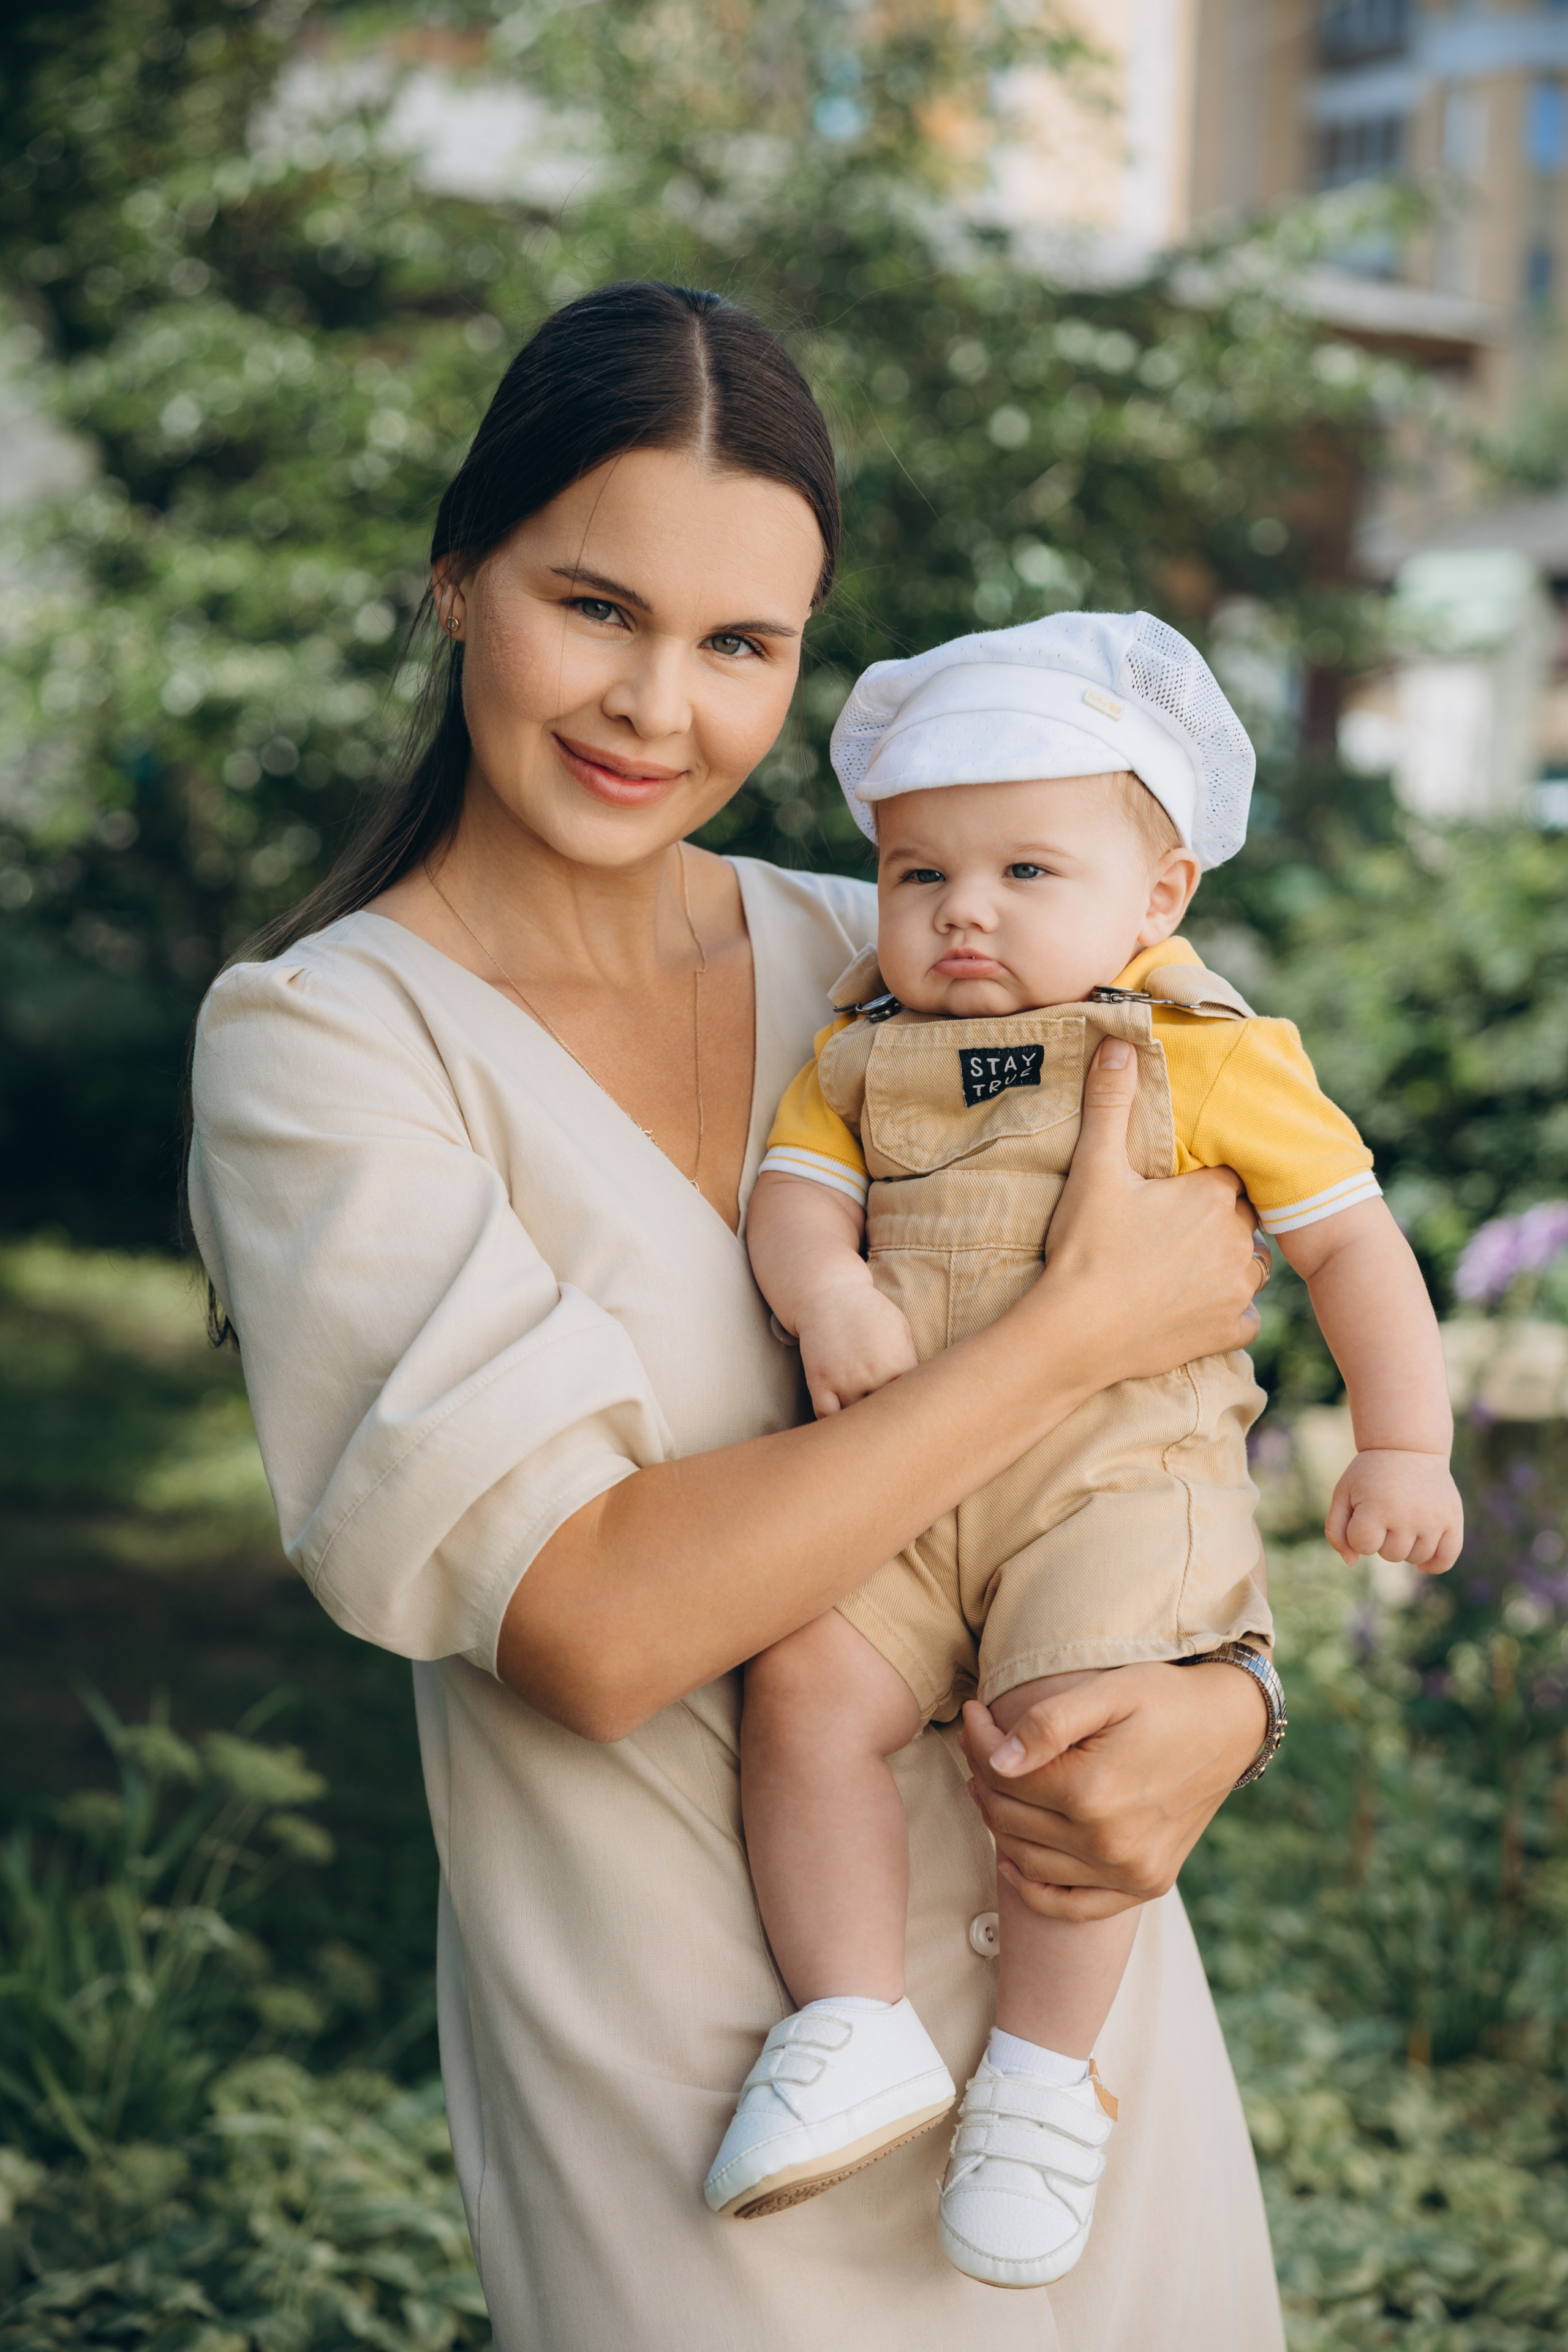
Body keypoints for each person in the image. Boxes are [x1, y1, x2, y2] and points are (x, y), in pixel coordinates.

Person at [187, 280, 1289, 2350]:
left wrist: (1229, 1704)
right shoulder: (327, 1044)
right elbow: (591, 1620)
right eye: (594, 605)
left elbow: (1183, 1377)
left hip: (1073, 2055)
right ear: (456, 580)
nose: (654, 707)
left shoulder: (889, 952)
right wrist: (1050, 1334)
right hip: (699, 2106)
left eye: (740, 646)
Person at [709, 612, 1464, 2287]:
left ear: (1160, 898)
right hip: (895, 1478)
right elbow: (794, 1199)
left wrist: (1404, 1443)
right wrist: (823, 1288)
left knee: (1073, 1752)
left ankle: (1045, 2083)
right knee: (808, 1693)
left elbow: (1352, 1247)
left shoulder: (1210, 1061)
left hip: (1115, 1489)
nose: (960, 913)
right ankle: (851, 2021)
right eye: (918, 877)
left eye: (1025, 872)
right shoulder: (857, 1056)